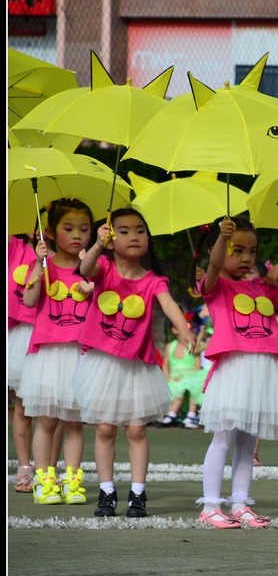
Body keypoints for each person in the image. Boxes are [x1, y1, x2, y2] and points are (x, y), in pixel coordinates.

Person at [191, 216, 278, 528]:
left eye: (252, 251)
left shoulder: (264, 287)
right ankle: (211, 505)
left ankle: (241, 502)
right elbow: (215, 265)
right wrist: (221, 238)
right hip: (234, 369)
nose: (246, 258)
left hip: (263, 370)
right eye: (237, 250)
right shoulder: (216, 286)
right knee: (224, 439)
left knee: (248, 444)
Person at [75, 208, 196, 518]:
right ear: (112, 237)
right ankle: (106, 491)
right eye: (125, 230)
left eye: (141, 230)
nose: (134, 236)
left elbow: (169, 305)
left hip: (136, 365)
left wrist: (184, 331)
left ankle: (138, 494)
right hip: (103, 361)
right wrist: (98, 244)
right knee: (104, 429)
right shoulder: (102, 266)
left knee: (137, 431)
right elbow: (85, 269)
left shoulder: (154, 280)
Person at [17, 199, 95, 505]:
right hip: (49, 354)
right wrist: (39, 262)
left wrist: (93, 276)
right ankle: (44, 480)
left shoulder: (93, 268)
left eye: (84, 229)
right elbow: (28, 300)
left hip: (81, 353)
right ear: (50, 232)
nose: (77, 235)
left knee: (74, 422)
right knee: (47, 420)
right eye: (69, 228)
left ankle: (72, 481)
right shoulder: (44, 265)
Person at [9, 233, 40, 493]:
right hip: (21, 331)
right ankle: (24, 466)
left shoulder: (67, 256)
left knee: (52, 409)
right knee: (22, 404)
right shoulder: (14, 248)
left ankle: (47, 467)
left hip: (51, 333)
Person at [158, 321, 204, 428]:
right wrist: (168, 378)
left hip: (190, 378)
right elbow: (165, 365)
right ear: (174, 330)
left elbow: (197, 366)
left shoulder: (193, 346)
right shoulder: (170, 346)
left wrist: (184, 379)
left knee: (187, 386)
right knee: (171, 388)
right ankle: (171, 414)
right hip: (173, 378)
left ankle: (185, 415)